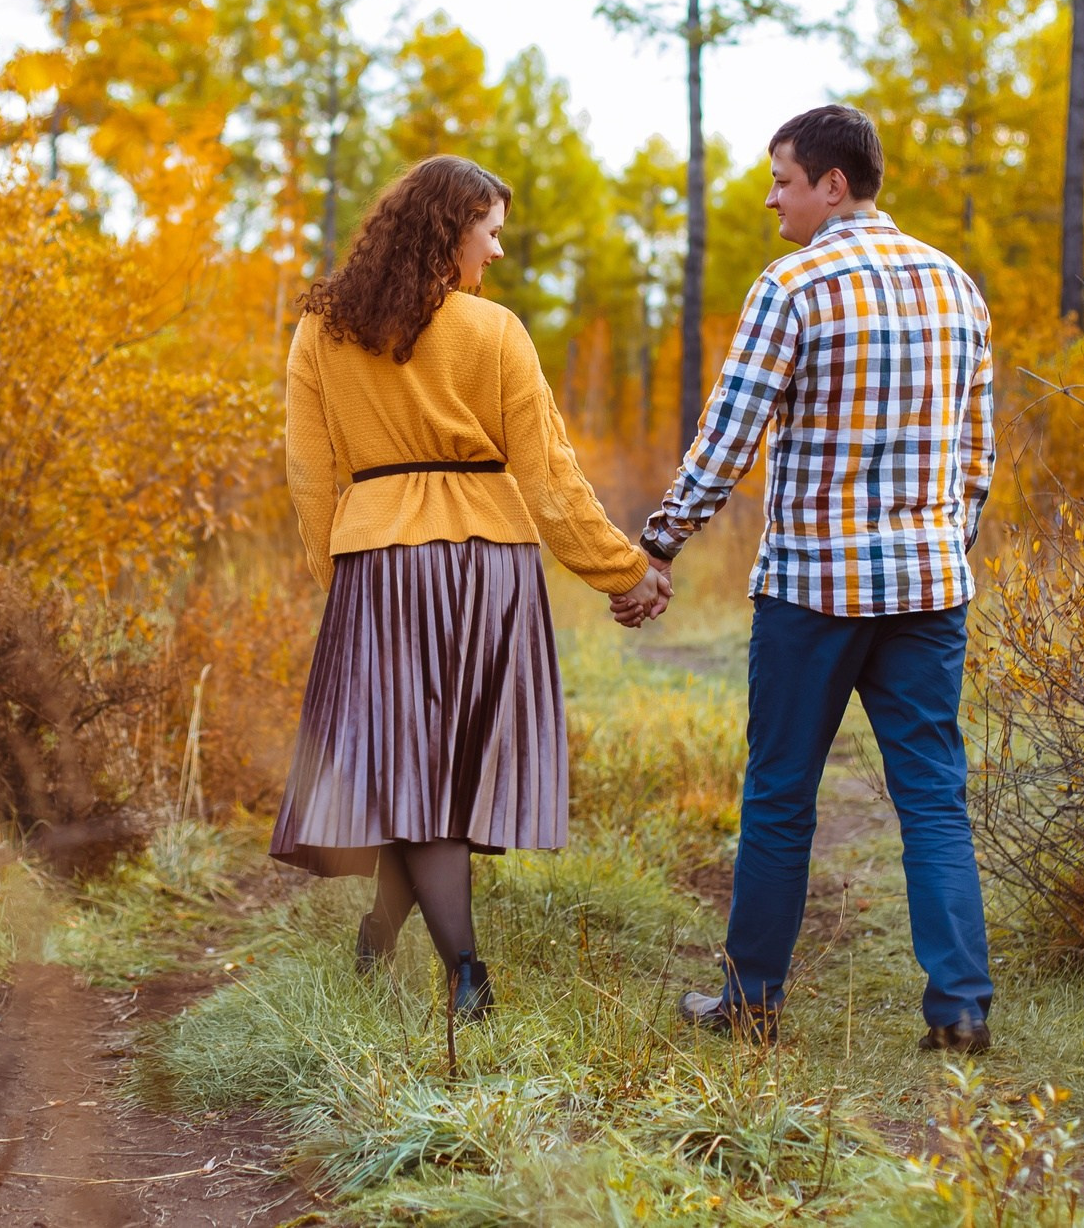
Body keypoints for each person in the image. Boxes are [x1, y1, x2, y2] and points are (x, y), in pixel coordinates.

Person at [627, 105, 997, 1051]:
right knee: (933, 794)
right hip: (929, 589)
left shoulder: (792, 286)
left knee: (781, 792)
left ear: (834, 185)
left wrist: (661, 542)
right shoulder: (957, 286)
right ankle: (961, 1006)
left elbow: (730, 435)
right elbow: (977, 457)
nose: (772, 198)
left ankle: (751, 1001)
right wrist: (940, 545)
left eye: (783, 179)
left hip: (812, 590)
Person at [272, 155, 671, 1021]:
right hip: (486, 568)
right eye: (488, 232)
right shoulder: (496, 332)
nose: (495, 252)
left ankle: (384, 937)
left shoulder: (322, 331)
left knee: (411, 767)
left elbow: (308, 474)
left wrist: (339, 576)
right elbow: (550, 480)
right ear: (447, 230)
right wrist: (626, 570)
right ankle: (464, 974)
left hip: (382, 568)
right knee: (439, 772)